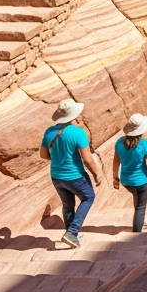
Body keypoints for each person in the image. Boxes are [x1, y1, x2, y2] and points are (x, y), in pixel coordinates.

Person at [39, 99, 103, 248]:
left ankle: (70, 235)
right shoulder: (77, 132)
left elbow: (43, 154)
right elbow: (87, 158)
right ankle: (72, 232)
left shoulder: (49, 132)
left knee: (68, 205)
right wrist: (96, 173)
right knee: (88, 197)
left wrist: (58, 158)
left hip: (56, 176)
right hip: (75, 176)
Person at [112, 113, 147, 233]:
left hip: (126, 181)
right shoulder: (144, 144)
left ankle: (140, 221)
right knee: (141, 206)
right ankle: (137, 232)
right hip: (142, 181)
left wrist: (115, 179)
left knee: (137, 199)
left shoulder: (119, 143)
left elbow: (116, 162)